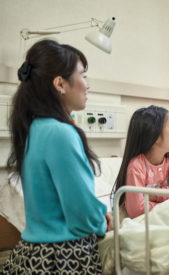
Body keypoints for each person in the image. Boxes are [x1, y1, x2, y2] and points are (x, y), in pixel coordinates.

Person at [1, 39, 112, 274]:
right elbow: (81, 211)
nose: (87, 85)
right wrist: (102, 219)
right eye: (83, 75)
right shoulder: (60, 133)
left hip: (32, 253)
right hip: (62, 257)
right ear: (60, 84)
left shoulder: (35, 128)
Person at [113, 105, 169, 219]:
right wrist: (168, 204)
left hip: (165, 217)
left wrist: (152, 195)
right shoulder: (136, 166)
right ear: (156, 136)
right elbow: (137, 210)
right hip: (144, 222)